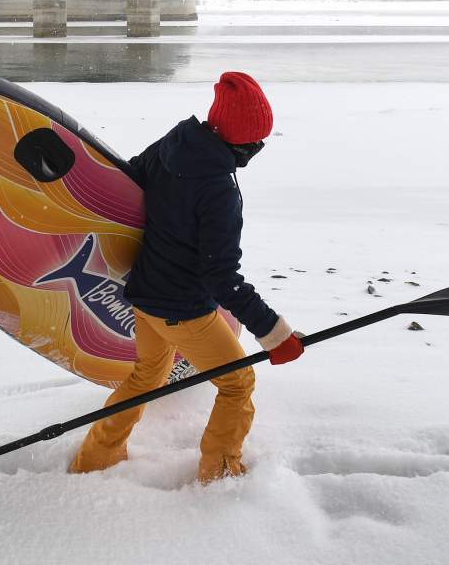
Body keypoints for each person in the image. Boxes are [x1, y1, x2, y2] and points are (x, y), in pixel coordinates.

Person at [68, 72, 304, 484]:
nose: (257, 150)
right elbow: (221, 276)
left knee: (147, 377)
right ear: (239, 140)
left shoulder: (174, 144)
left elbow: (131, 181)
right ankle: (221, 471)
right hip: (184, 309)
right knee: (237, 383)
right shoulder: (218, 190)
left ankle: (95, 458)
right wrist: (273, 332)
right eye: (255, 142)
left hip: (145, 294)